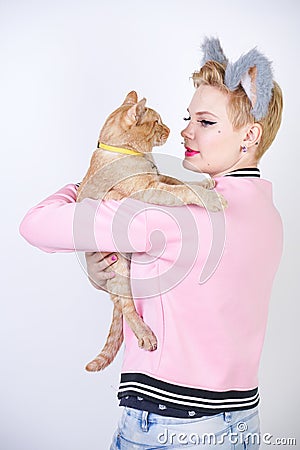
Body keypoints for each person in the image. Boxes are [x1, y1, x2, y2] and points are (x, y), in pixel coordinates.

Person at [19, 38, 283, 449]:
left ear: (250, 135)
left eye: (206, 122)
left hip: (170, 427)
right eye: (188, 117)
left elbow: (35, 224)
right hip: (243, 422)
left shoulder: (175, 216)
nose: (186, 130)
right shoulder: (269, 215)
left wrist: (93, 180)